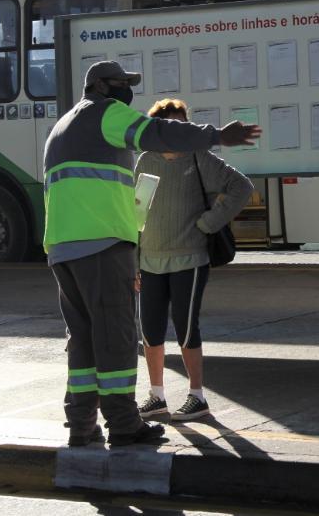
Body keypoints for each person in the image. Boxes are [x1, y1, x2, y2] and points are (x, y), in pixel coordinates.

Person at [43, 61, 260, 447]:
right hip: (102, 243)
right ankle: (125, 424)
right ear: (103, 86)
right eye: (123, 83)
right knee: (117, 336)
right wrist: (217, 135)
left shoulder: (61, 127)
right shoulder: (106, 113)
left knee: (83, 340)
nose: (127, 90)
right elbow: (158, 132)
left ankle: (81, 424)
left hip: (62, 248)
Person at [135, 99, 253, 422]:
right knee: (150, 331)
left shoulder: (199, 157)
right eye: (171, 126)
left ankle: (197, 396)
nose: (178, 132)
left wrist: (208, 223)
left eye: (183, 126)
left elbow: (241, 187)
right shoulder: (146, 161)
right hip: (150, 262)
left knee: (186, 329)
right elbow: (137, 215)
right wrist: (134, 260)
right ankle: (156, 396)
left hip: (190, 258)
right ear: (158, 130)